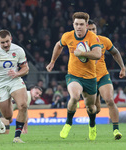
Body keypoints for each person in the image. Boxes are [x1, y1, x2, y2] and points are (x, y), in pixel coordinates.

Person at [46, 12, 102, 141]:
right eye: (76, 24)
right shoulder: (68, 36)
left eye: (81, 24)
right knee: (75, 96)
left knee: (91, 107)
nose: (79, 27)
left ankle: (92, 125)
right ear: (73, 24)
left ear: (86, 25)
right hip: (73, 75)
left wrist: (83, 53)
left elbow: (98, 54)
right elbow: (58, 45)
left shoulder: (93, 37)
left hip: (90, 77)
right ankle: (68, 123)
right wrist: (53, 61)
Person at [87, 19, 126, 140]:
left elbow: (115, 53)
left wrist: (122, 68)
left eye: (94, 29)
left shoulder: (104, 40)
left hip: (103, 75)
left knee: (109, 100)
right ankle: (92, 125)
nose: (92, 31)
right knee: (95, 109)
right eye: (89, 30)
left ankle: (116, 130)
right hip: (89, 78)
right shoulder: (81, 44)